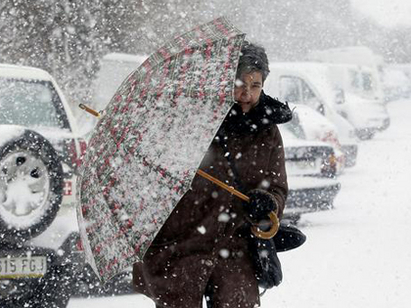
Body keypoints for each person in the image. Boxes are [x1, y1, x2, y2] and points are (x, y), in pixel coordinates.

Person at [133, 41, 292, 308]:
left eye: (256, 86)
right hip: (184, 241)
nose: (247, 94)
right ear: (225, 81)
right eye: (240, 84)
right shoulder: (193, 121)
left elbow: (278, 187)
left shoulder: (268, 130)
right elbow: (161, 176)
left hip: (236, 243)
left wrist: (268, 203)